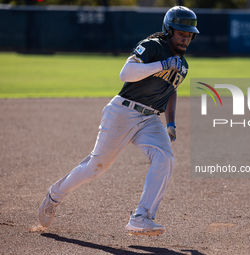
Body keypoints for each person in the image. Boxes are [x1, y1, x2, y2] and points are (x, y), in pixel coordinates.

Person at [38, 6, 199, 236]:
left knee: (165, 158)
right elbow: (126, 73)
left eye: (189, 34)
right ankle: (54, 195)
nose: (186, 38)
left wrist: (171, 122)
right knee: (96, 167)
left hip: (151, 119)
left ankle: (141, 217)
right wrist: (162, 65)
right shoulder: (153, 46)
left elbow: (172, 89)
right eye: (181, 33)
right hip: (123, 111)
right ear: (168, 30)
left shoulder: (182, 64)